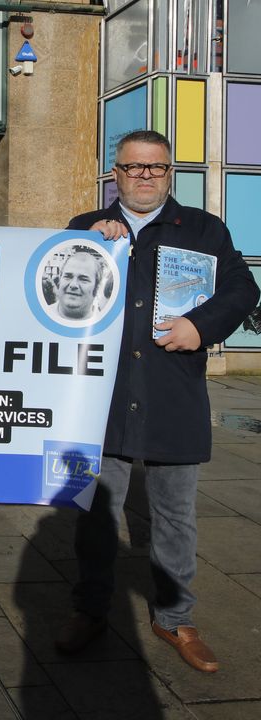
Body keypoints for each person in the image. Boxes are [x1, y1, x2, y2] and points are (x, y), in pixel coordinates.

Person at [56, 130, 260, 672]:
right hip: (104, 394)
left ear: (170, 174)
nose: (145, 176)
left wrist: (202, 325)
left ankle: (175, 618)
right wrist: (90, 247)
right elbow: (52, 297)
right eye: (133, 168)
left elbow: (243, 290)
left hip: (173, 391)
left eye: (156, 168)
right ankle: (91, 609)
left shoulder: (202, 229)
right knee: (95, 512)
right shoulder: (84, 228)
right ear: (115, 173)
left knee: (175, 515)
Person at [48, 249, 105, 321]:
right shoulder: (42, 315)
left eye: (83, 279)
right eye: (68, 276)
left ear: (97, 288)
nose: (73, 285)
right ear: (59, 281)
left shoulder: (104, 323)